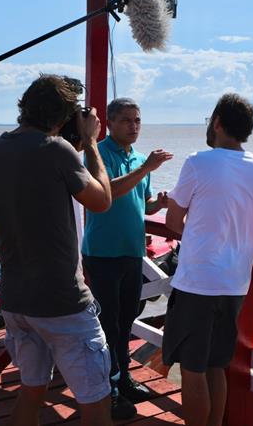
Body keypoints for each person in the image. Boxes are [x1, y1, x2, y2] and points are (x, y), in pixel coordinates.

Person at [0, 74, 113, 426]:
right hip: (62, 304)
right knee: (96, 401)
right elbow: (101, 201)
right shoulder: (55, 149)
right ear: (63, 116)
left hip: (16, 300)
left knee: (32, 391)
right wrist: (91, 142)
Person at [163, 93, 253, 426]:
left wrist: (205, 233)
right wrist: (238, 233)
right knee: (217, 365)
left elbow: (173, 223)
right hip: (235, 284)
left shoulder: (197, 162)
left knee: (192, 368)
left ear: (217, 122)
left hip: (197, 282)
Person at [81, 97, 173, 419]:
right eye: (126, 120)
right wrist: (146, 167)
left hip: (132, 252)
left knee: (126, 321)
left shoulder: (136, 157)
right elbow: (107, 193)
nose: (133, 126)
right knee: (106, 324)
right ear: (109, 122)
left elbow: (141, 201)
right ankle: (108, 389)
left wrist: (157, 205)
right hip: (103, 253)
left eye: (137, 120)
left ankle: (124, 378)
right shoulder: (97, 154)